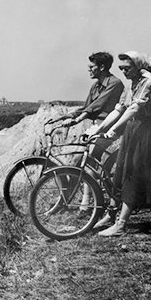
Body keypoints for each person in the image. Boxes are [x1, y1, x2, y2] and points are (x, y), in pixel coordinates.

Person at [88, 51, 151, 236]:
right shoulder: (132, 84)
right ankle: (112, 215)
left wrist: (114, 129)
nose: (123, 71)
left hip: (143, 133)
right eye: (121, 68)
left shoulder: (147, 81)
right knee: (120, 174)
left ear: (138, 67)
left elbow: (134, 108)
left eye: (127, 68)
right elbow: (119, 109)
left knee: (132, 176)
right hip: (132, 132)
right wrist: (99, 129)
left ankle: (121, 225)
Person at [49, 52, 124, 217]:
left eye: (91, 67)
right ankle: (67, 199)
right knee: (76, 160)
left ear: (102, 67)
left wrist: (77, 120)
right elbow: (86, 108)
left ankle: (86, 203)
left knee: (89, 160)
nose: (88, 70)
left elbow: (97, 106)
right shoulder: (95, 86)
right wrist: (66, 117)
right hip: (97, 126)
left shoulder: (115, 83)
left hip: (112, 126)